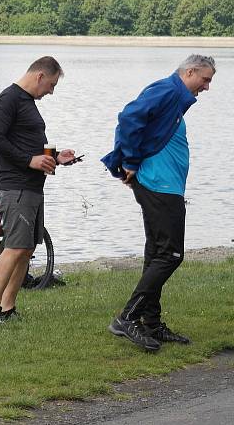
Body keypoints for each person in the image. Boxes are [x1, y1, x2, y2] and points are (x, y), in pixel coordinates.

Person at [101, 55, 216, 351]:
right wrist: (129, 160)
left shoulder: (174, 98)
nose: (207, 87)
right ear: (189, 72)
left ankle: (151, 323)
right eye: (205, 79)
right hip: (159, 186)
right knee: (171, 254)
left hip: (166, 185)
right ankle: (127, 317)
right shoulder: (166, 89)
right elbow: (129, 117)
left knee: (156, 253)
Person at [0, 56, 75, 324]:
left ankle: (8, 307)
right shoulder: (9, 99)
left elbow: (26, 143)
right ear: (40, 76)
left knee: (27, 248)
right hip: (15, 186)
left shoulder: (28, 103)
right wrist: (29, 160)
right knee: (14, 247)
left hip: (33, 187)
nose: (51, 91)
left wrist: (55, 157)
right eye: (52, 84)